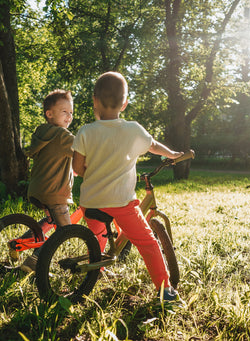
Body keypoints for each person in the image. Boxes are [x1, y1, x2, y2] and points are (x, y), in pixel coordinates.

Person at [72, 72, 183, 301]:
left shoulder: (85, 132)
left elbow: (77, 168)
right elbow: (153, 146)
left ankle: (97, 266)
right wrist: (172, 154)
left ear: (95, 100)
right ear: (125, 103)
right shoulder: (132, 129)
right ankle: (165, 290)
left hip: (90, 201)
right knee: (148, 243)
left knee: (97, 235)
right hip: (121, 202)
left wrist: (93, 174)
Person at [21, 89, 75, 272]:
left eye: (71, 113)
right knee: (65, 230)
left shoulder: (42, 133)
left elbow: (55, 158)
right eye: (64, 112)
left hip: (37, 190)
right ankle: (35, 260)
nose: (69, 117)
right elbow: (83, 149)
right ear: (49, 114)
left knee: (51, 220)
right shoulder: (62, 135)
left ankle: (22, 241)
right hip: (55, 193)